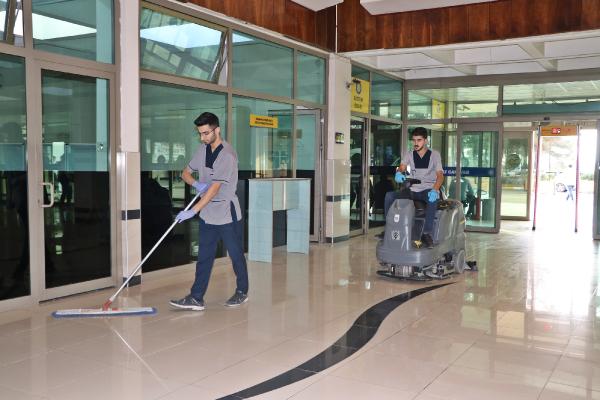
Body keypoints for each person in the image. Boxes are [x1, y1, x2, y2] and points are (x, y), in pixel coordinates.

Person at [169, 112, 249, 311]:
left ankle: (242, 291)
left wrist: (193, 210)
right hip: (208, 213)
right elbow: (185, 173)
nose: (202, 138)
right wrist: (196, 183)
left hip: (226, 212)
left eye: (206, 133)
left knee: (236, 254)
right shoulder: (202, 149)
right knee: (204, 256)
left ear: (217, 130)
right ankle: (196, 297)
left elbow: (214, 189)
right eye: (200, 134)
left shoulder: (227, 155)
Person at [382, 127, 444, 248]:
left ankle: (427, 233)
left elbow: (440, 176)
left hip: (428, 189)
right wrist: (399, 173)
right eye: (414, 140)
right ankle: (389, 227)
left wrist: (434, 190)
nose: (416, 143)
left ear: (425, 140)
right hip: (413, 189)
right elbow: (402, 166)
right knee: (389, 196)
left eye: (419, 140)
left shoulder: (434, 155)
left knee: (432, 201)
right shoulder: (410, 154)